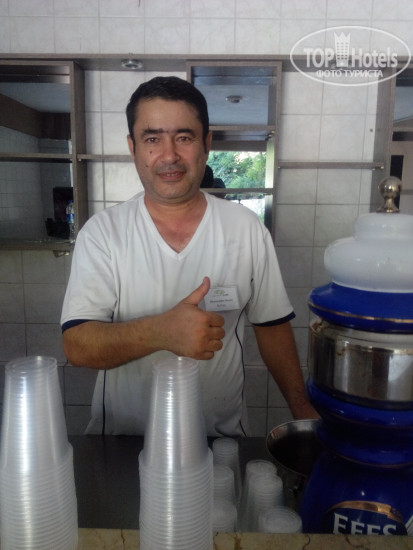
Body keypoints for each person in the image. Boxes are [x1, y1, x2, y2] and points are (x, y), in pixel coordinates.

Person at [61, 76, 318, 437]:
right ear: (133, 147)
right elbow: (77, 346)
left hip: (219, 440)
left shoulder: (245, 229)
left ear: (206, 144)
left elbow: (271, 327)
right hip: (124, 443)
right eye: (152, 139)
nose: (169, 155)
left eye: (184, 137)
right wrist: (161, 332)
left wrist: (303, 410)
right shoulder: (103, 233)